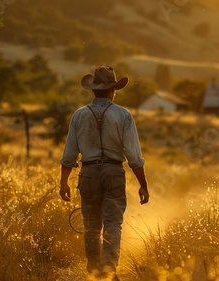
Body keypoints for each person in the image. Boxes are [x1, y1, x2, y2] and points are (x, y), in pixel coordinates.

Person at [59, 66, 149, 280]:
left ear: (94, 90)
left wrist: (63, 183)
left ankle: (93, 270)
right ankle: (108, 270)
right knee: (112, 224)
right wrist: (143, 184)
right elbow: (134, 157)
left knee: (91, 226)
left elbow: (69, 155)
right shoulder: (123, 115)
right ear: (113, 90)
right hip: (113, 172)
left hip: (88, 173)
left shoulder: (79, 115)